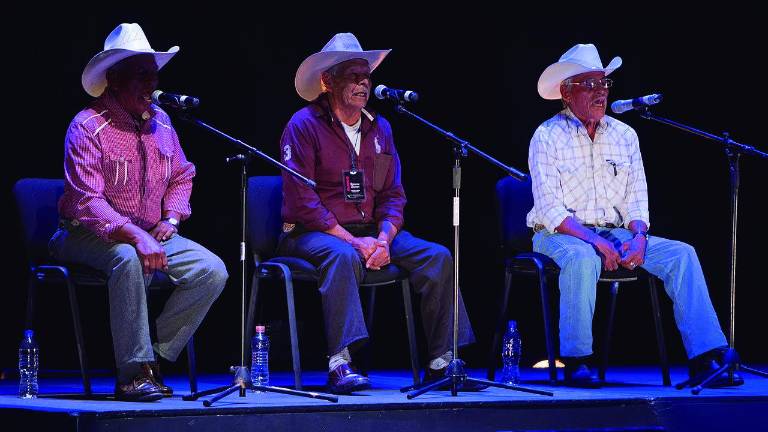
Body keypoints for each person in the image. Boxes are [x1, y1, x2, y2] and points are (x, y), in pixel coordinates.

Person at [526, 43, 742, 388]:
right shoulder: (547, 136)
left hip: (617, 234)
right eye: (590, 85)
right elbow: (551, 208)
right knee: (583, 259)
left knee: (681, 254)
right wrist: (595, 240)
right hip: (559, 234)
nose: (601, 93)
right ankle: (576, 361)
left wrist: (639, 237)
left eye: (604, 84)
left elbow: (637, 201)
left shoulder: (625, 135)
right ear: (567, 92)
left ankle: (706, 359)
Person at [279, 33, 479, 394]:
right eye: (353, 76)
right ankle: (340, 361)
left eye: (366, 76)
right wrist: (355, 241)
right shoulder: (303, 125)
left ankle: (442, 360)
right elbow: (302, 202)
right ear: (328, 81)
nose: (363, 83)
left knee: (437, 257)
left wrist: (384, 239)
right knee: (341, 256)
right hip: (313, 234)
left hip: (372, 231)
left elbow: (393, 196)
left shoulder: (380, 127)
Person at [50, 23, 228, 401]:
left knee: (211, 270)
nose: (151, 84)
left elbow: (183, 174)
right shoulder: (87, 126)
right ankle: (132, 374)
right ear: (113, 79)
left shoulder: (162, 121)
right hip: (84, 233)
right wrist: (135, 234)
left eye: (154, 75)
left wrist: (171, 218)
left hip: (150, 229)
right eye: (140, 76)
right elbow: (88, 201)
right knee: (128, 259)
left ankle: (153, 358)